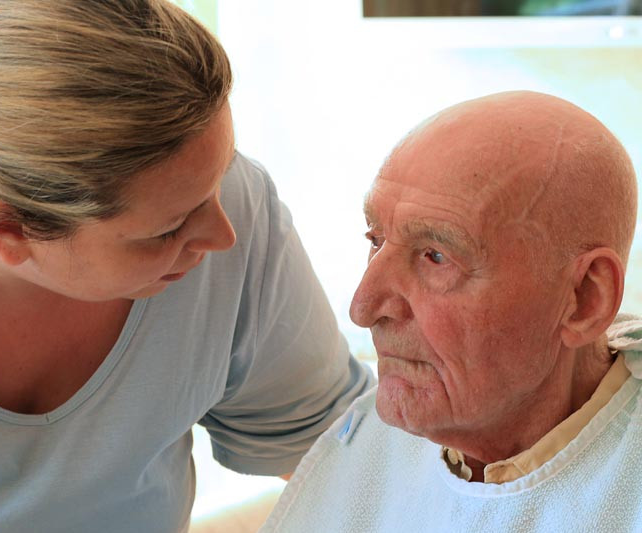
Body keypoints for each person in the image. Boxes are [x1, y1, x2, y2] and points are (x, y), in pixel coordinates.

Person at [0, 2, 373, 532]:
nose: (223, 237)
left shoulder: (225, 203)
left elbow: (344, 457)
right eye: (167, 230)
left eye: (219, 179)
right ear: (9, 229)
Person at [261, 91, 642, 533]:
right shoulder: (374, 442)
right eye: (376, 240)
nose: (363, 308)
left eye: (436, 256)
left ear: (584, 300)